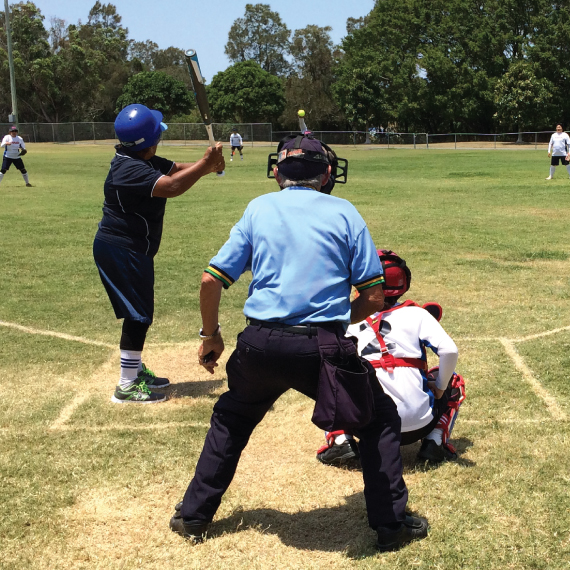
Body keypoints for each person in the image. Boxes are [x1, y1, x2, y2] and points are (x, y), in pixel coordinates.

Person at [170, 134, 429, 552]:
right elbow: (374, 295)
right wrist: (332, 321)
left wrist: (211, 335)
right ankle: (390, 525)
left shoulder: (258, 208)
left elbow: (210, 280)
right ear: (328, 173)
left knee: (232, 419)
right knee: (379, 420)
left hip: (258, 345)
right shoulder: (344, 212)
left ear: (277, 170)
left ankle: (193, 516)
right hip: (322, 348)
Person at [93, 103, 225, 404]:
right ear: (151, 140)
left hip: (130, 248)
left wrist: (208, 164)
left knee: (140, 312)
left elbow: (176, 169)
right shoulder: (129, 168)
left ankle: (135, 372)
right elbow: (172, 186)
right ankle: (126, 385)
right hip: (120, 248)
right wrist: (205, 166)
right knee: (139, 315)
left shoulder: (138, 157)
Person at [317, 249, 464, 466]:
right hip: (418, 425)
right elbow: (449, 351)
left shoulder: (345, 318)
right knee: (454, 382)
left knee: (328, 376)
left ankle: (340, 440)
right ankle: (434, 442)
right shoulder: (418, 314)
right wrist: (440, 387)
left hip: (365, 425)